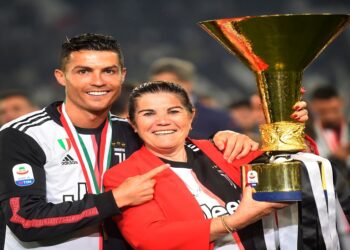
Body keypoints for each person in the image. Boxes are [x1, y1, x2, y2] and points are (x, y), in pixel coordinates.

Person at [0, 33, 262, 250]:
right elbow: (25, 220)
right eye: (84, 71)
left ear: (122, 75)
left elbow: (184, 147)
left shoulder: (132, 131)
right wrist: (113, 200)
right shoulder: (23, 135)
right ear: (60, 76)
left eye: (108, 71)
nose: (98, 81)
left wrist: (224, 138)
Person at [103, 81, 341, 249]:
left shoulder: (224, 148)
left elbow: (294, 173)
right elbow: (150, 240)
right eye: (148, 114)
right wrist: (235, 221)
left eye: (174, 111)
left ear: (191, 116)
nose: (162, 121)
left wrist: (288, 128)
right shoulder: (123, 176)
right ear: (132, 123)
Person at [148, 57, 242, 138]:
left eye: (169, 84)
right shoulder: (146, 120)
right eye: (156, 85)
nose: (162, 89)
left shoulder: (219, 119)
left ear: (188, 84)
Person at [309, 85, 350, 177]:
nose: (330, 116)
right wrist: (335, 158)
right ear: (313, 107)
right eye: (323, 112)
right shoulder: (309, 135)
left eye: (334, 110)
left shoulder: (348, 129)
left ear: (341, 103)